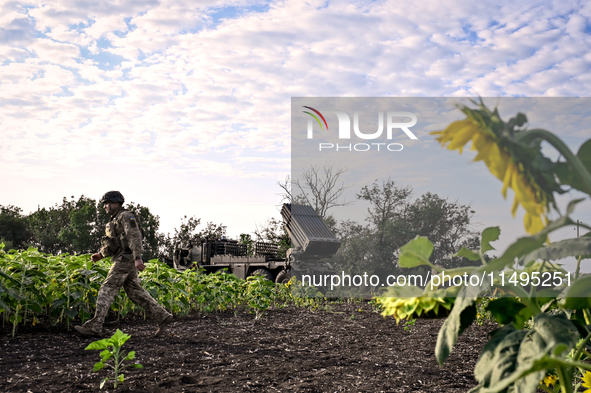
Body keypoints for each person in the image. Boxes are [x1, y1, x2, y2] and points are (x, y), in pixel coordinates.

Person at [74, 191, 173, 338]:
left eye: (106, 203)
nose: (104, 207)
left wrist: (137, 257)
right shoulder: (115, 220)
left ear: (115, 203)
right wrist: (101, 254)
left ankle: (95, 326)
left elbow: (135, 236)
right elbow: (114, 244)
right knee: (135, 292)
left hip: (125, 259)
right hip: (124, 258)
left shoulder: (126, 216)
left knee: (107, 288)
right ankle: (162, 316)